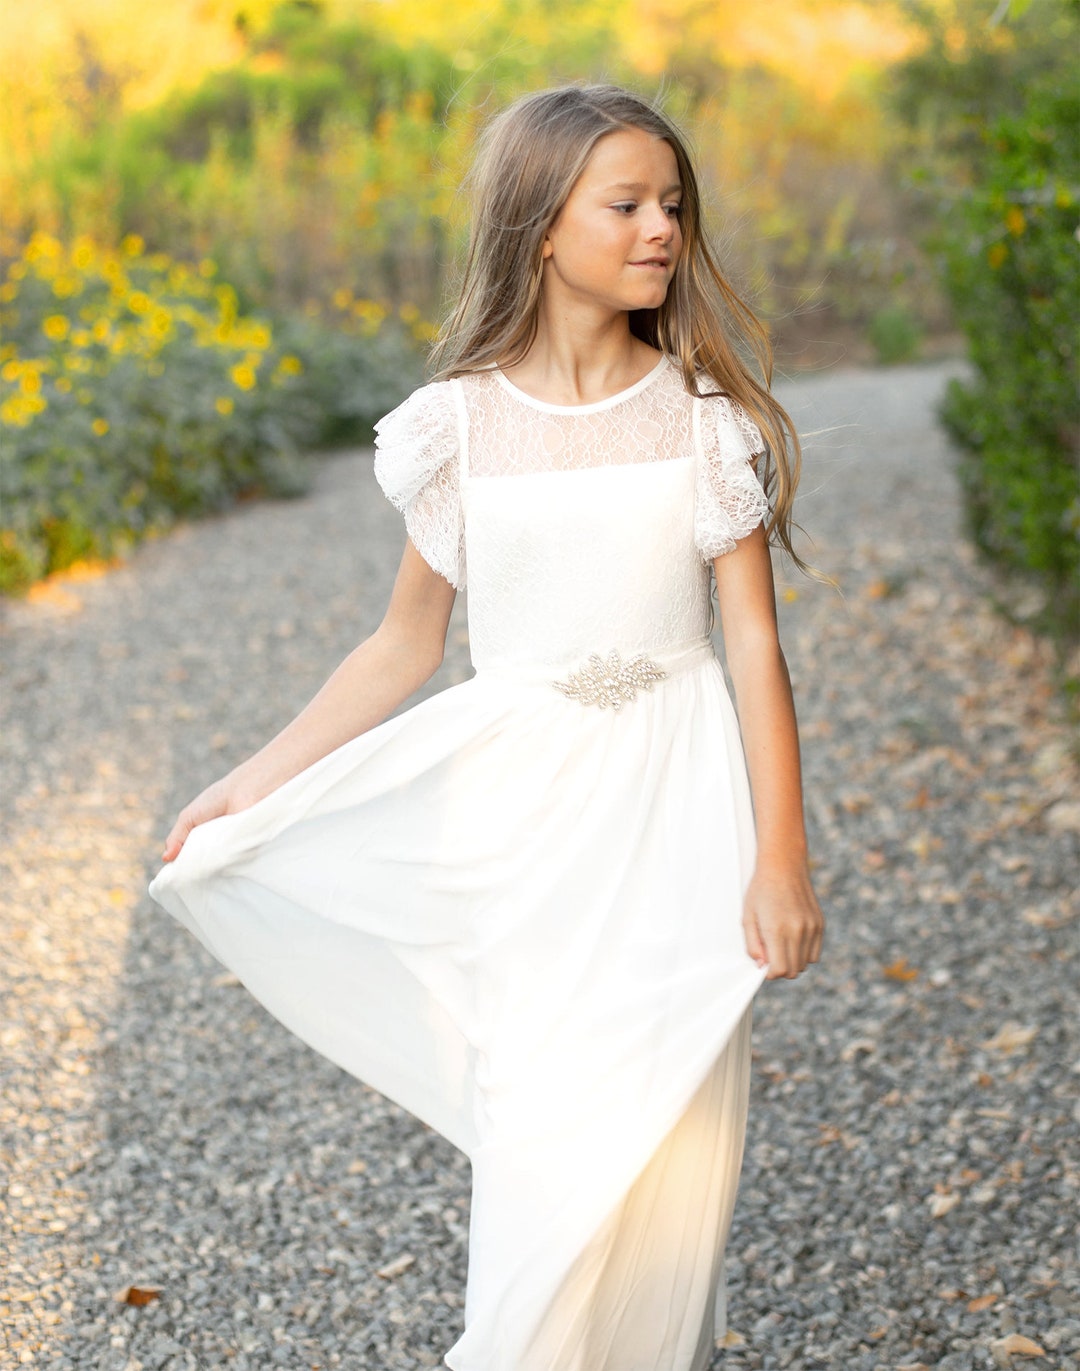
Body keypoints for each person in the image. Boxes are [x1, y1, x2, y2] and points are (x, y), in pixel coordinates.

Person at [150, 83, 824, 1371]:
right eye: (625, 204)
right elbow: (405, 642)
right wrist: (254, 778)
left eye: (672, 205)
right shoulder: (455, 426)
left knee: (666, 1139)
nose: (662, 231)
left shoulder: (701, 423)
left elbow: (752, 647)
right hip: (521, 817)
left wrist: (780, 857)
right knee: (546, 1136)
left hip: (676, 804)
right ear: (537, 225)